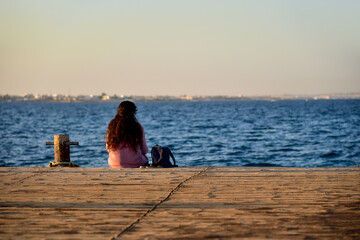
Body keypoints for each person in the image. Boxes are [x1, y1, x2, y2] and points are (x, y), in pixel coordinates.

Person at [106, 101, 149, 168]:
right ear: (133, 112)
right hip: (135, 163)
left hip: (114, 163)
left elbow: (108, 147)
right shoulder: (137, 127)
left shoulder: (112, 126)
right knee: (145, 160)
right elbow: (145, 150)